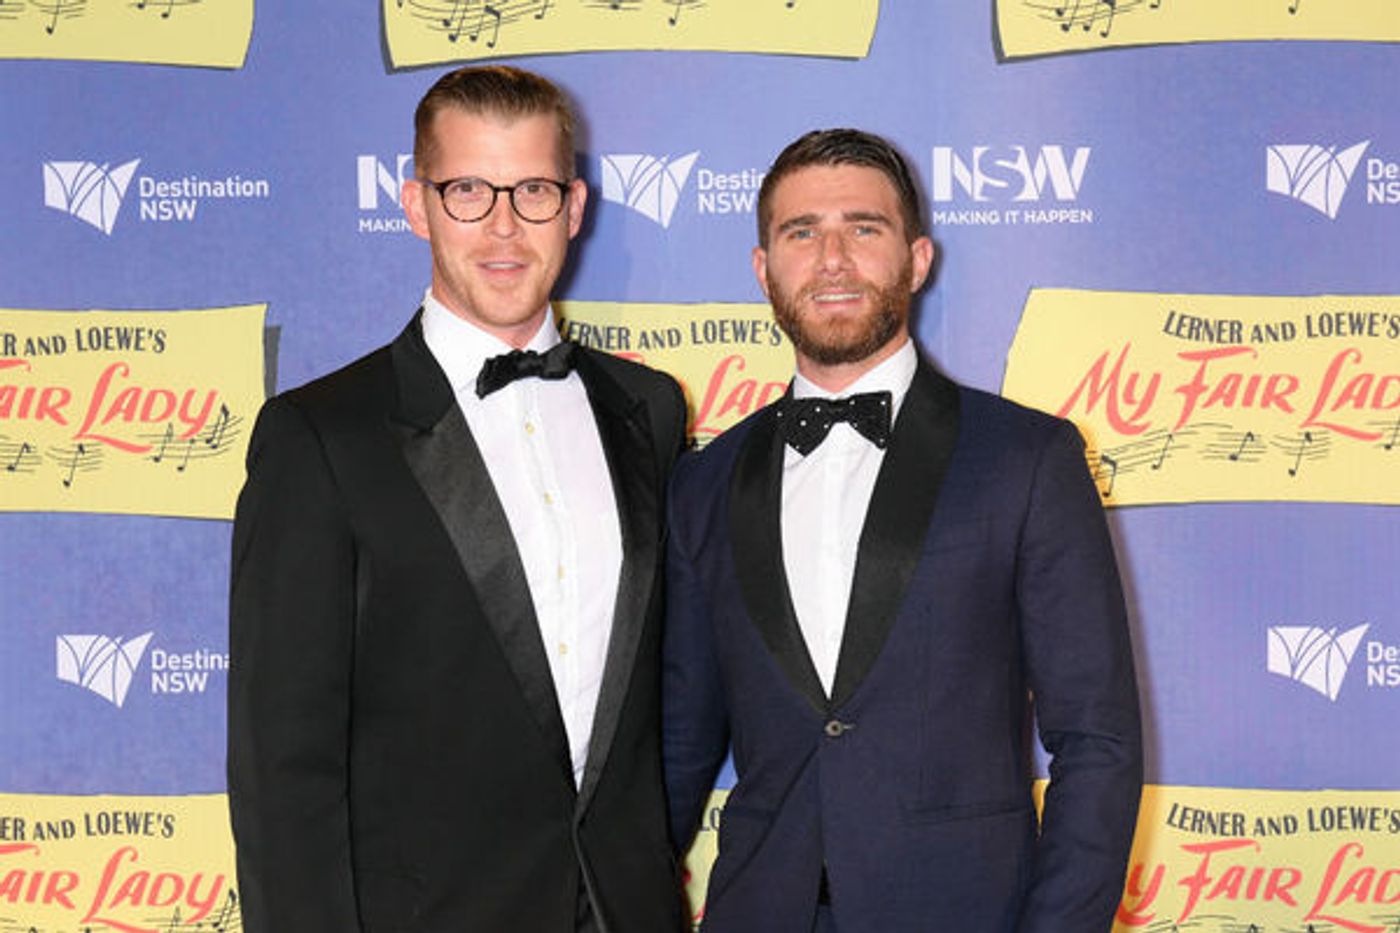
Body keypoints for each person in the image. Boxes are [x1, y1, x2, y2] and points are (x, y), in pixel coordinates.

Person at [228, 65, 687, 932]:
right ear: (416, 204)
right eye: (469, 189)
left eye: (535, 191)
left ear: (576, 208)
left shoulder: (650, 410)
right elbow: (281, 770)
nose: (504, 226)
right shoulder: (320, 437)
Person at [662, 128, 1142, 933]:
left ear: (918, 258)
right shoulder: (703, 485)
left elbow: (1097, 741)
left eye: (864, 228)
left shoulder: (1026, 459)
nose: (833, 258)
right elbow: (677, 756)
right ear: (763, 267)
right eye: (801, 232)